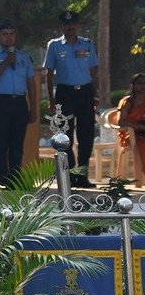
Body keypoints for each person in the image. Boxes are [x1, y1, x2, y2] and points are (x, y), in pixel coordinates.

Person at [43, 10, 100, 188]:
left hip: (85, 92)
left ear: (78, 25)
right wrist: (51, 100)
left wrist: (96, 94)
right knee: (64, 135)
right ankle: (70, 174)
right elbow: (49, 74)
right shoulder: (54, 45)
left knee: (86, 134)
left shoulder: (87, 44)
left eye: (73, 24)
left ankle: (83, 175)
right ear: (61, 27)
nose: (70, 27)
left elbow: (94, 71)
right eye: (67, 24)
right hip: (64, 92)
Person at [0, 20, 37, 187]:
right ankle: (2, 176)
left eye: (11, 34)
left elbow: (31, 83)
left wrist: (33, 107)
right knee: (0, 142)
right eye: (5, 34)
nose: (8, 38)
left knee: (17, 142)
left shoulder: (23, 57)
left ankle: (15, 177)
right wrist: (6, 62)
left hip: (19, 102)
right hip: (1, 102)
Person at [116, 74, 145, 176]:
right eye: (140, 83)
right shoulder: (127, 102)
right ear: (132, 86)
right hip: (130, 134)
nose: (143, 86)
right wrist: (139, 127)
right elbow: (121, 122)